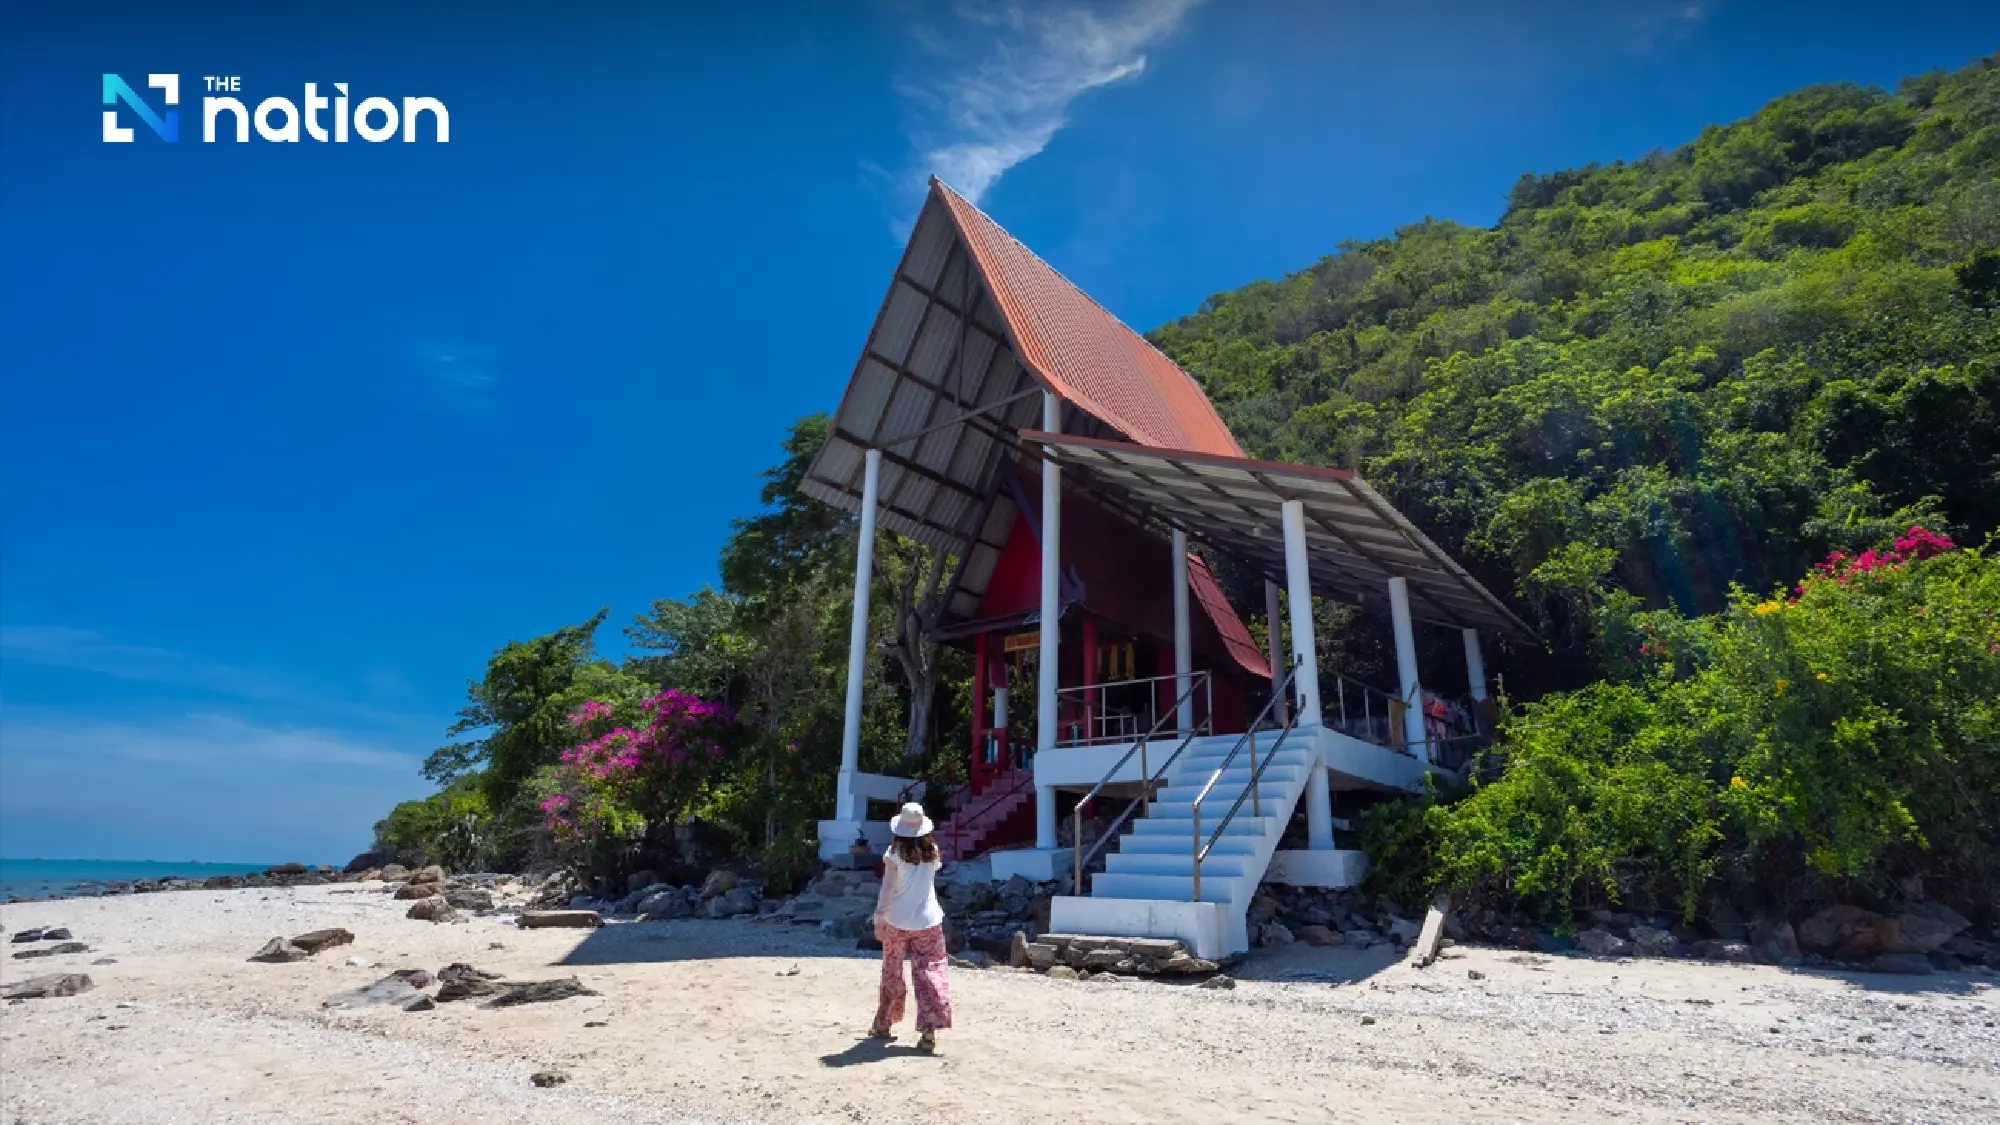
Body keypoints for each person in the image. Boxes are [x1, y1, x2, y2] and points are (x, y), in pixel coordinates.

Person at [870, 801, 951, 1053]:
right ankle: (929, 1031)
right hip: (928, 921)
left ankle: (883, 1023)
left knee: (892, 972)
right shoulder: (934, 852)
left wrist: (878, 918)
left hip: (897, 921)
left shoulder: (894, 854)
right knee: (930, 972)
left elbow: (887, 890)